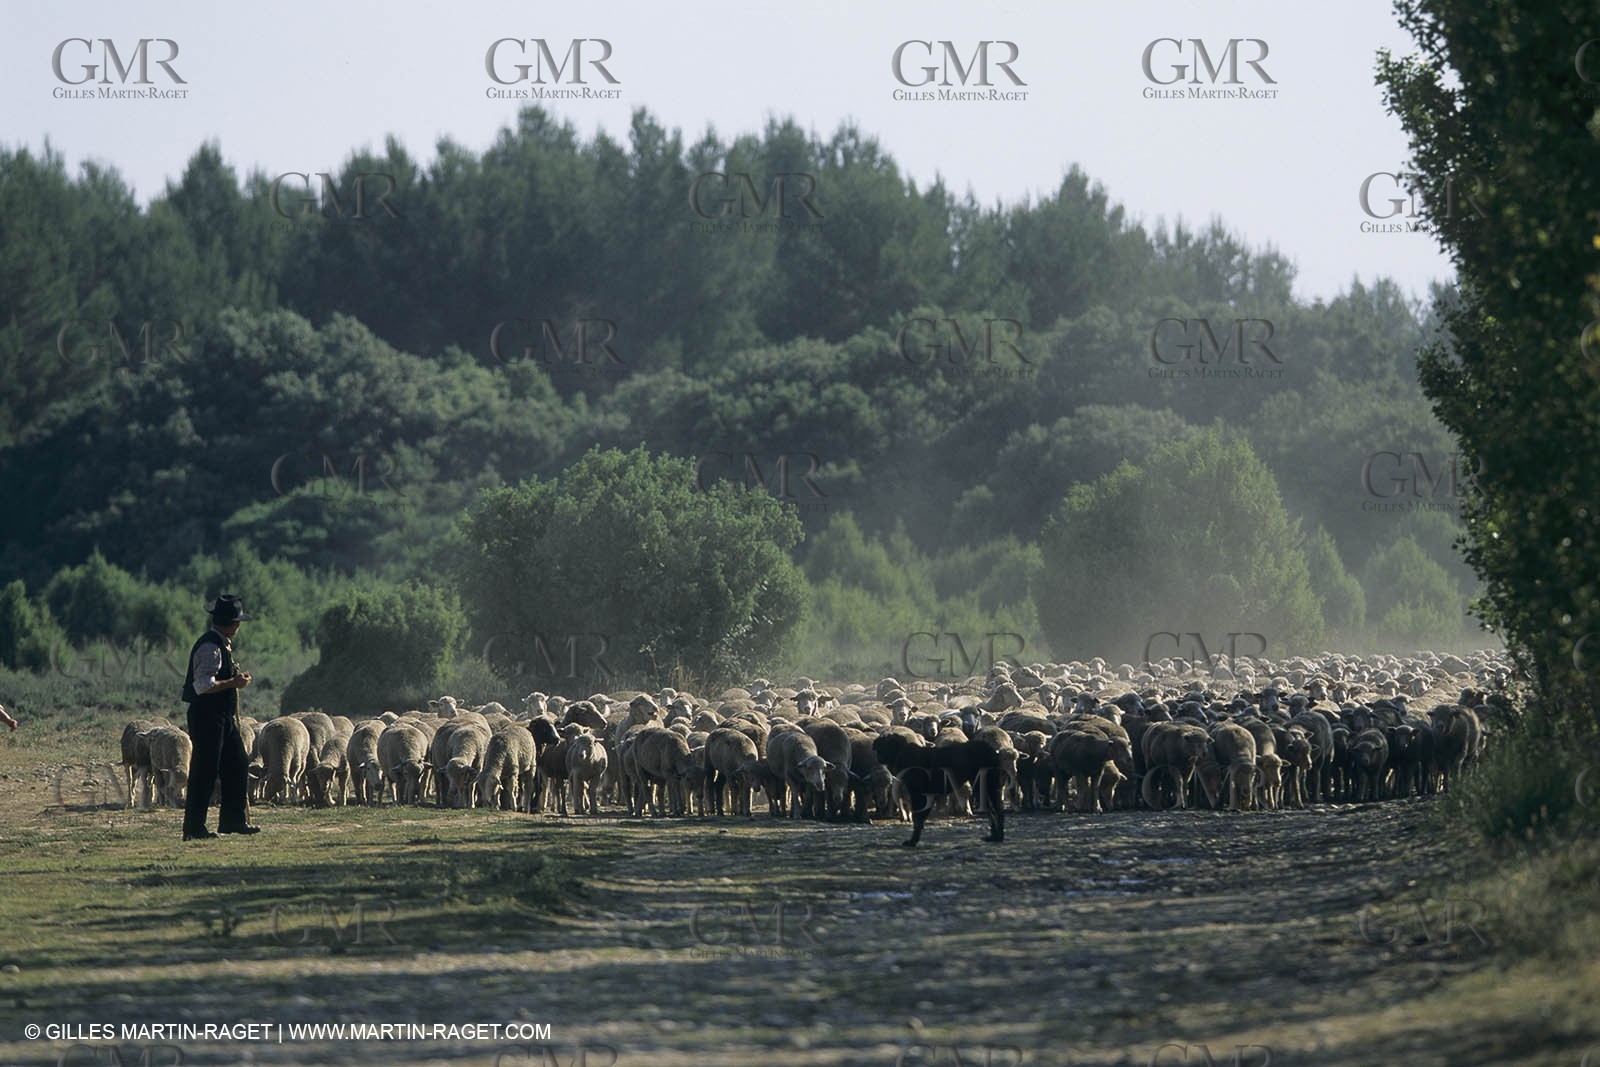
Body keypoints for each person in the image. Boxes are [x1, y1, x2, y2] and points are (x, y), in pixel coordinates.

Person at [180, 594, 260, 841]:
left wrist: (233, 680)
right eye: (237, 622)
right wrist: (233, 683)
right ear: (232, 623)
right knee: (204, 771)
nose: (238, 626)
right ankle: (194, 828)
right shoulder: (210, 647)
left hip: (224, 717)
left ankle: (233, 821)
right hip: (207, 717)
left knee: (237, 763)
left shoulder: (221, 643)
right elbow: (203, 685)